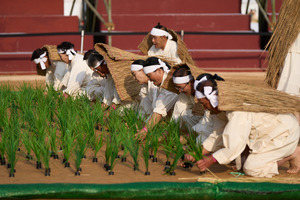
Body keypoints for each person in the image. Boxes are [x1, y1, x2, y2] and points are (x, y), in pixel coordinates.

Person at [189, 73, 300, 178]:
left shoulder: (238, 112)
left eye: (204, 104)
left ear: (212, 100)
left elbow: (233, 146)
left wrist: (210, 160)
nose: (204, 108)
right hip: (270, 132)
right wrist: (195, 153)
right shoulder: (222, 107)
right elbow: (217, 135)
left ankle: (292, 154)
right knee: (239, 164)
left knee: (251, 168)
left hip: (284, 132)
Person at [136, 57, 178, 139]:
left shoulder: (169, 84)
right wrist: (144, 127)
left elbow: (158, 112)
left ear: (159, 70)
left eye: (149, 76)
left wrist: (145, 130)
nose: (149, 79)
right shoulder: (159, 84)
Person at [171, 66, 213, 141]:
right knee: (186, 114)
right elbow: (178, 112)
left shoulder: (205, 94)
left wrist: (188, 137)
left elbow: (207, 119)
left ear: (191, 82)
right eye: (177, 88)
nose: (180, 91)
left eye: (181, 87)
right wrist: (170, 131)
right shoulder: (185, 93)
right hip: (202, 122)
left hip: (212, 123)